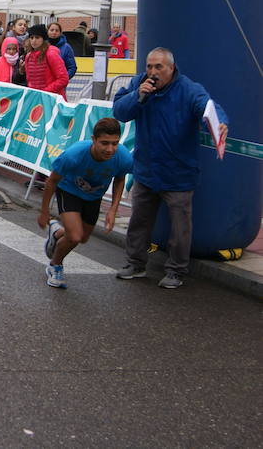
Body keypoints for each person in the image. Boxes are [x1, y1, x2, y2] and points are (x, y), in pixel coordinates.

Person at [112, 47, 228, 289]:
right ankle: (135, 263)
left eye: (159, 67)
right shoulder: (139, 84)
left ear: (171, 68)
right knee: (139, 221)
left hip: (178, 173)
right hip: (146, 169)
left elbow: (208, 107)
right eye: (149, 67)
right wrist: (137, 95)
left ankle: (176, 270)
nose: (153, 72)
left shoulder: (188, 89)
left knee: (180, 227)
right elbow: (120, 111)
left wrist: (221, 123)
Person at [37, 118, 132, 289]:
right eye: (104, 143)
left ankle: (57, 232)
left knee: (83, 238)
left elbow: (119, 179)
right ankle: (55, 265)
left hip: (93, 197)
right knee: (75, 236)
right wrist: (44, 212)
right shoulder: (74, 155)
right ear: (94, 139)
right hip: (69, 190)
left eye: (115, 143)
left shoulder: (123, 157)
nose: (110, 149)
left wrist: (113, 210)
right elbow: (52, 181)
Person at [23, 24, 69, 99]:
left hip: (52, 98)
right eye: (31, 37)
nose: (34, 40)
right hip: (36, 98)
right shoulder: (28, 56)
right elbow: (30, 81)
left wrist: (45, 92)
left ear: (43, 39)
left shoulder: (51, 54)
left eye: (37, 37)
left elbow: (63, 79)